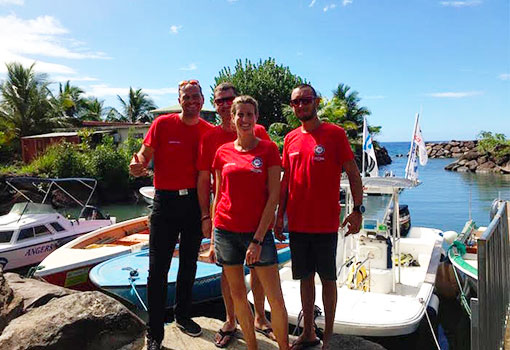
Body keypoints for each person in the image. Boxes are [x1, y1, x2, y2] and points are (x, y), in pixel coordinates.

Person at [274, 84, 363, 350]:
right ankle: (309, 332)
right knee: (304, 278)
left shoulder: (334, 134)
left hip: (325, 224)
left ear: (316, 102)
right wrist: (279, 217)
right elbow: (286, 181)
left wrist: (357, 210)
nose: (300, 105)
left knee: (328, 280)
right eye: (295, 102)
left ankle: (329, 337)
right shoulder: (290, 139)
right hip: (298, 224)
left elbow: (353, 174)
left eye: (305, 100)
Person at [129, 80, 213, 350]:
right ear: (180, 100)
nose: (191, 101)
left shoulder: (208, 131)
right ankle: (154, 332)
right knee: (158, 269)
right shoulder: (162, 124)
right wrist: (138, 164)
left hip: (193, 202)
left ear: (202, 100)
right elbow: (143, 155)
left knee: (189, 263)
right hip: (164, 202)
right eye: (186, 96)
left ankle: (183, 315)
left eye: (195, 96)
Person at [197, 82, 276, 347]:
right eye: (220, 101)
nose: (225, 104)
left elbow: (268, 174)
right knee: (226, 272)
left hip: (254, 220)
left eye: (229, 99)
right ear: (217, 105)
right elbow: (207, 181)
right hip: (225, 219)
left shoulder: (259, 131)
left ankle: (260, 318)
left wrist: (272, 215)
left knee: (258, 270)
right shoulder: (210, 138)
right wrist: (207, 219)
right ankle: (231, 320)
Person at [212, 95, 289, 350]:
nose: (244, 119)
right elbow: (219, 195)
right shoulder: (222, 152)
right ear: (232, 119)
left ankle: (284, 347)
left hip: (258, 234)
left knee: (275, 300)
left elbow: (274, 197)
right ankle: (252, 348)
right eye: (239, 115)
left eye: (249, 114)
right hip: (226, 231)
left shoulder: (268, 149)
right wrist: (213, 239)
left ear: (256, 118)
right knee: (237, 296)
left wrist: (257, 239)